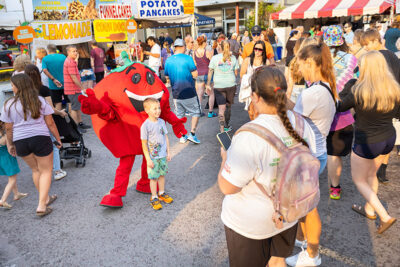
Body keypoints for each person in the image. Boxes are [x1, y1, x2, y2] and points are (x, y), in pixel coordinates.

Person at [218, 66, 317, 267]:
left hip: (251, 225)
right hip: (289, 214)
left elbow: (228, 187)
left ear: (255, 96)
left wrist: (224, 158)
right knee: (278, 261)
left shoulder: (249, 135)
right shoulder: (300, 124)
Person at [286, 42, 337, 267]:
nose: (299, 69)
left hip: (309, 156)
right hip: (317, 153)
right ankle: (303, 245)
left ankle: (313, 255)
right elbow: (298, 113)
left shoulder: (314, 92)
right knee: (303, 206)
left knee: (308, 208)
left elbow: (292, 120)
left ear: (309, 62)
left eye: (300, 64)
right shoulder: (324, 86)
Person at [337, 51, 399, 234]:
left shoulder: (358, 89)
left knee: (359, 179)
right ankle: (370, 209)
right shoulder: (393, 87)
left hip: (367, 141)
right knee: (371, 174)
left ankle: (384, 216)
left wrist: (349, 85)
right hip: (388, 137)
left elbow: (340, 106)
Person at [0, 74, 61, 217]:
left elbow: (8, 128)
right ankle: (41, 205)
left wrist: (10, 144)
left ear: (18, 87)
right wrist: (58, 139)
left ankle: (45, 198)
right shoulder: (39, 100)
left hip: (21, 141)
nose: (12, 87)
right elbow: (50, 122)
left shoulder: (8, 104)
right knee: (46, 171)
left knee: (35, 170)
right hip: (40, 138)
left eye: (13, 85)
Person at [361, 28, 400, 183]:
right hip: (394, 101)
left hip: (379, 102)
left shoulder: (376, 58)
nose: (365, 48)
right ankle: (382, 170)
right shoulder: (394, 56)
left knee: (377, 137)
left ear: (375, 40)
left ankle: (374, 171)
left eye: (367, 44)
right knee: (389, 134)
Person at [323, 25, 357, 200]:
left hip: (320, 109)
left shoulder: (319, 58)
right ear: (342, 39)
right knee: (334, 152)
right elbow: (357, 82)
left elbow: (309, 82)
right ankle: (334, 188)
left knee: (323, 150)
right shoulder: (352, 59)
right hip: (342, 113)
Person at [25, 64, 68, 181]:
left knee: (35, 149)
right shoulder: (43, 89)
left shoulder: (23, 91)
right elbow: (50, 109)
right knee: (54, 145)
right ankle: (57, 171)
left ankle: (40, 171)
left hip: (28, 124)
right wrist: (61, 113)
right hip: (43, 123)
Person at [164, 39, 201, 144]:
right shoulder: (188, 58)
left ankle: (183, 135)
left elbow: (166, 77)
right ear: (183, 47)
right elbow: (195, 75)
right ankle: (192, 134)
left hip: (176, 93)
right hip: (189, 90)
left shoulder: (168, 60)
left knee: (179, 115)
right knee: (196, 112)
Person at [140, 98, 173, 210]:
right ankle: (154, 197)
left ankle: (161, 193)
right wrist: (148, 159)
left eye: (158, 108)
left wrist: (168, 152)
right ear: (147, 110)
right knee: (154, 177)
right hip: (153, 157)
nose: (158, 110)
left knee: (162, 175)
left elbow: (166, 137)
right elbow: (144, 144)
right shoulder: (145, 126)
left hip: (162, 155)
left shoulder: (161, 122)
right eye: (155, 108)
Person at [207, 41, 239, 133]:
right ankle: (226, 125)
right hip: (230, 85)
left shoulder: (215, 58)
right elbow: (236, 73)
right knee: (228, 107)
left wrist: (208, 84)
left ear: (219, 47)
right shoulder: (233, 58)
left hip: (219, 85)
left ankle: (221, 130)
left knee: (221, 109)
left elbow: (210, 71)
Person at [0, 120, 28, 209]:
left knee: (11, 177)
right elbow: (11, 147)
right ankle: (2, 200)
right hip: (8, 159)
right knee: (12, 179)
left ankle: (16, 194)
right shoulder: (5, 137)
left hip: (1, 159)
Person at [63, 45, 91, 132]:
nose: (75, 53)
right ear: (68, 52)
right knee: (74, 109)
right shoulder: (70, 62)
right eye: (73, 51)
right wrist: (82, 88)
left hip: (73, 89)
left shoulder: (71, 61)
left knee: (77, 107)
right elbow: (74, 78)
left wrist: (77, 59)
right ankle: (76, 127)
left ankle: (80, 123)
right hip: (72, 89)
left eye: (76, 51)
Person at [239, 40, 268, 112]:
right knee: (251, 112)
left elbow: (269, 76)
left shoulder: (266, 62)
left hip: (261, 89)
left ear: (263, 51)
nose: (257, 51)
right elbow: (242, 74)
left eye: (260, 49)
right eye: (256, 49)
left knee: (260, 110)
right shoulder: (247, 60)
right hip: (250, 88)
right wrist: (250, 78)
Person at [193, 35, 216, 118]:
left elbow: (194, 63)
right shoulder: (207, 52)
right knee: (211, 94)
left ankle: (199, 112)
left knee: (199, 94)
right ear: (203, 43)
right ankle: (210, 112)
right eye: (205, 42)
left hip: (199, 74)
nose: (206, 43)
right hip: (208, 75)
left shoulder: (195, 52)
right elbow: (212, 62)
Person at [42, 44, 66, 111]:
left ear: (48, 50)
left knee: (58, 103)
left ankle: (60, 121)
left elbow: (44, 70)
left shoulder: (45, 58)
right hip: (66, 83)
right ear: (56, 49)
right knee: (69, 103)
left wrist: (53, 79)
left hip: (53, 85)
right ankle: (74, 120)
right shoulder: (63, 56)